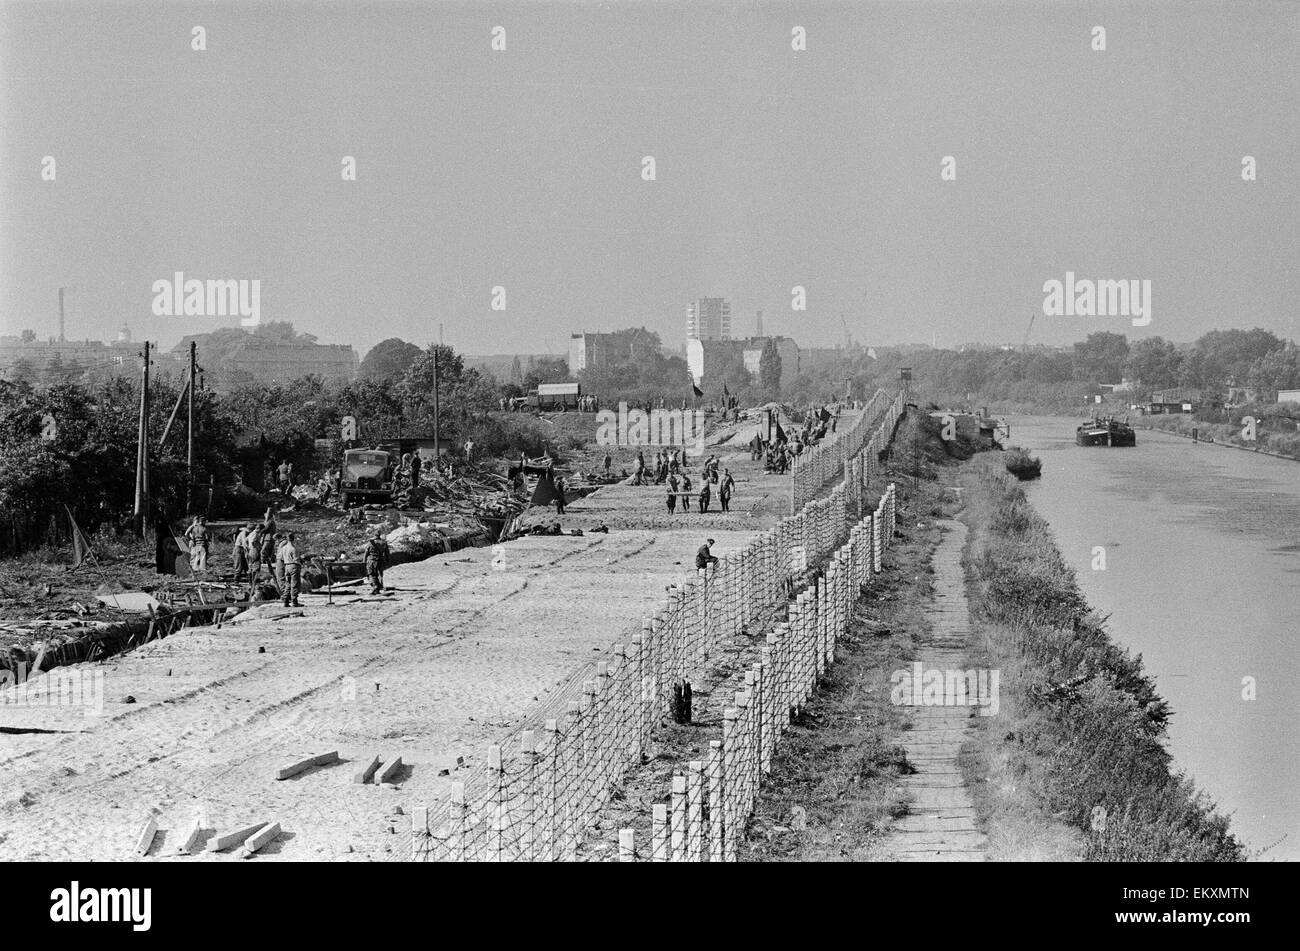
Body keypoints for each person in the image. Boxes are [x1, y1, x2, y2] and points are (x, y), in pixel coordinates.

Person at [278, 532, 302, 607]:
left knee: (288, 584)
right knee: (294, 583)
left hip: (286, 565)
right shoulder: (294, 548)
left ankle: (285, 600)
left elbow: (281, 558)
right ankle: (294, 601)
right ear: (293, 539)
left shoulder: (283, 548)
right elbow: (296, 559)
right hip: (293, 565)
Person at [365, 530, 390, 595]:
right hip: (380, 560)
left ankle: (375, 587)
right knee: (380, 574)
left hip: (371, 560)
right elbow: (387, 553)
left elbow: (366, 552)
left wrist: (364, 561)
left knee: (372, 574)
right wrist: (387, 561)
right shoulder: (384, 542)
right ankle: (378, 588)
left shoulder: (371, 542)